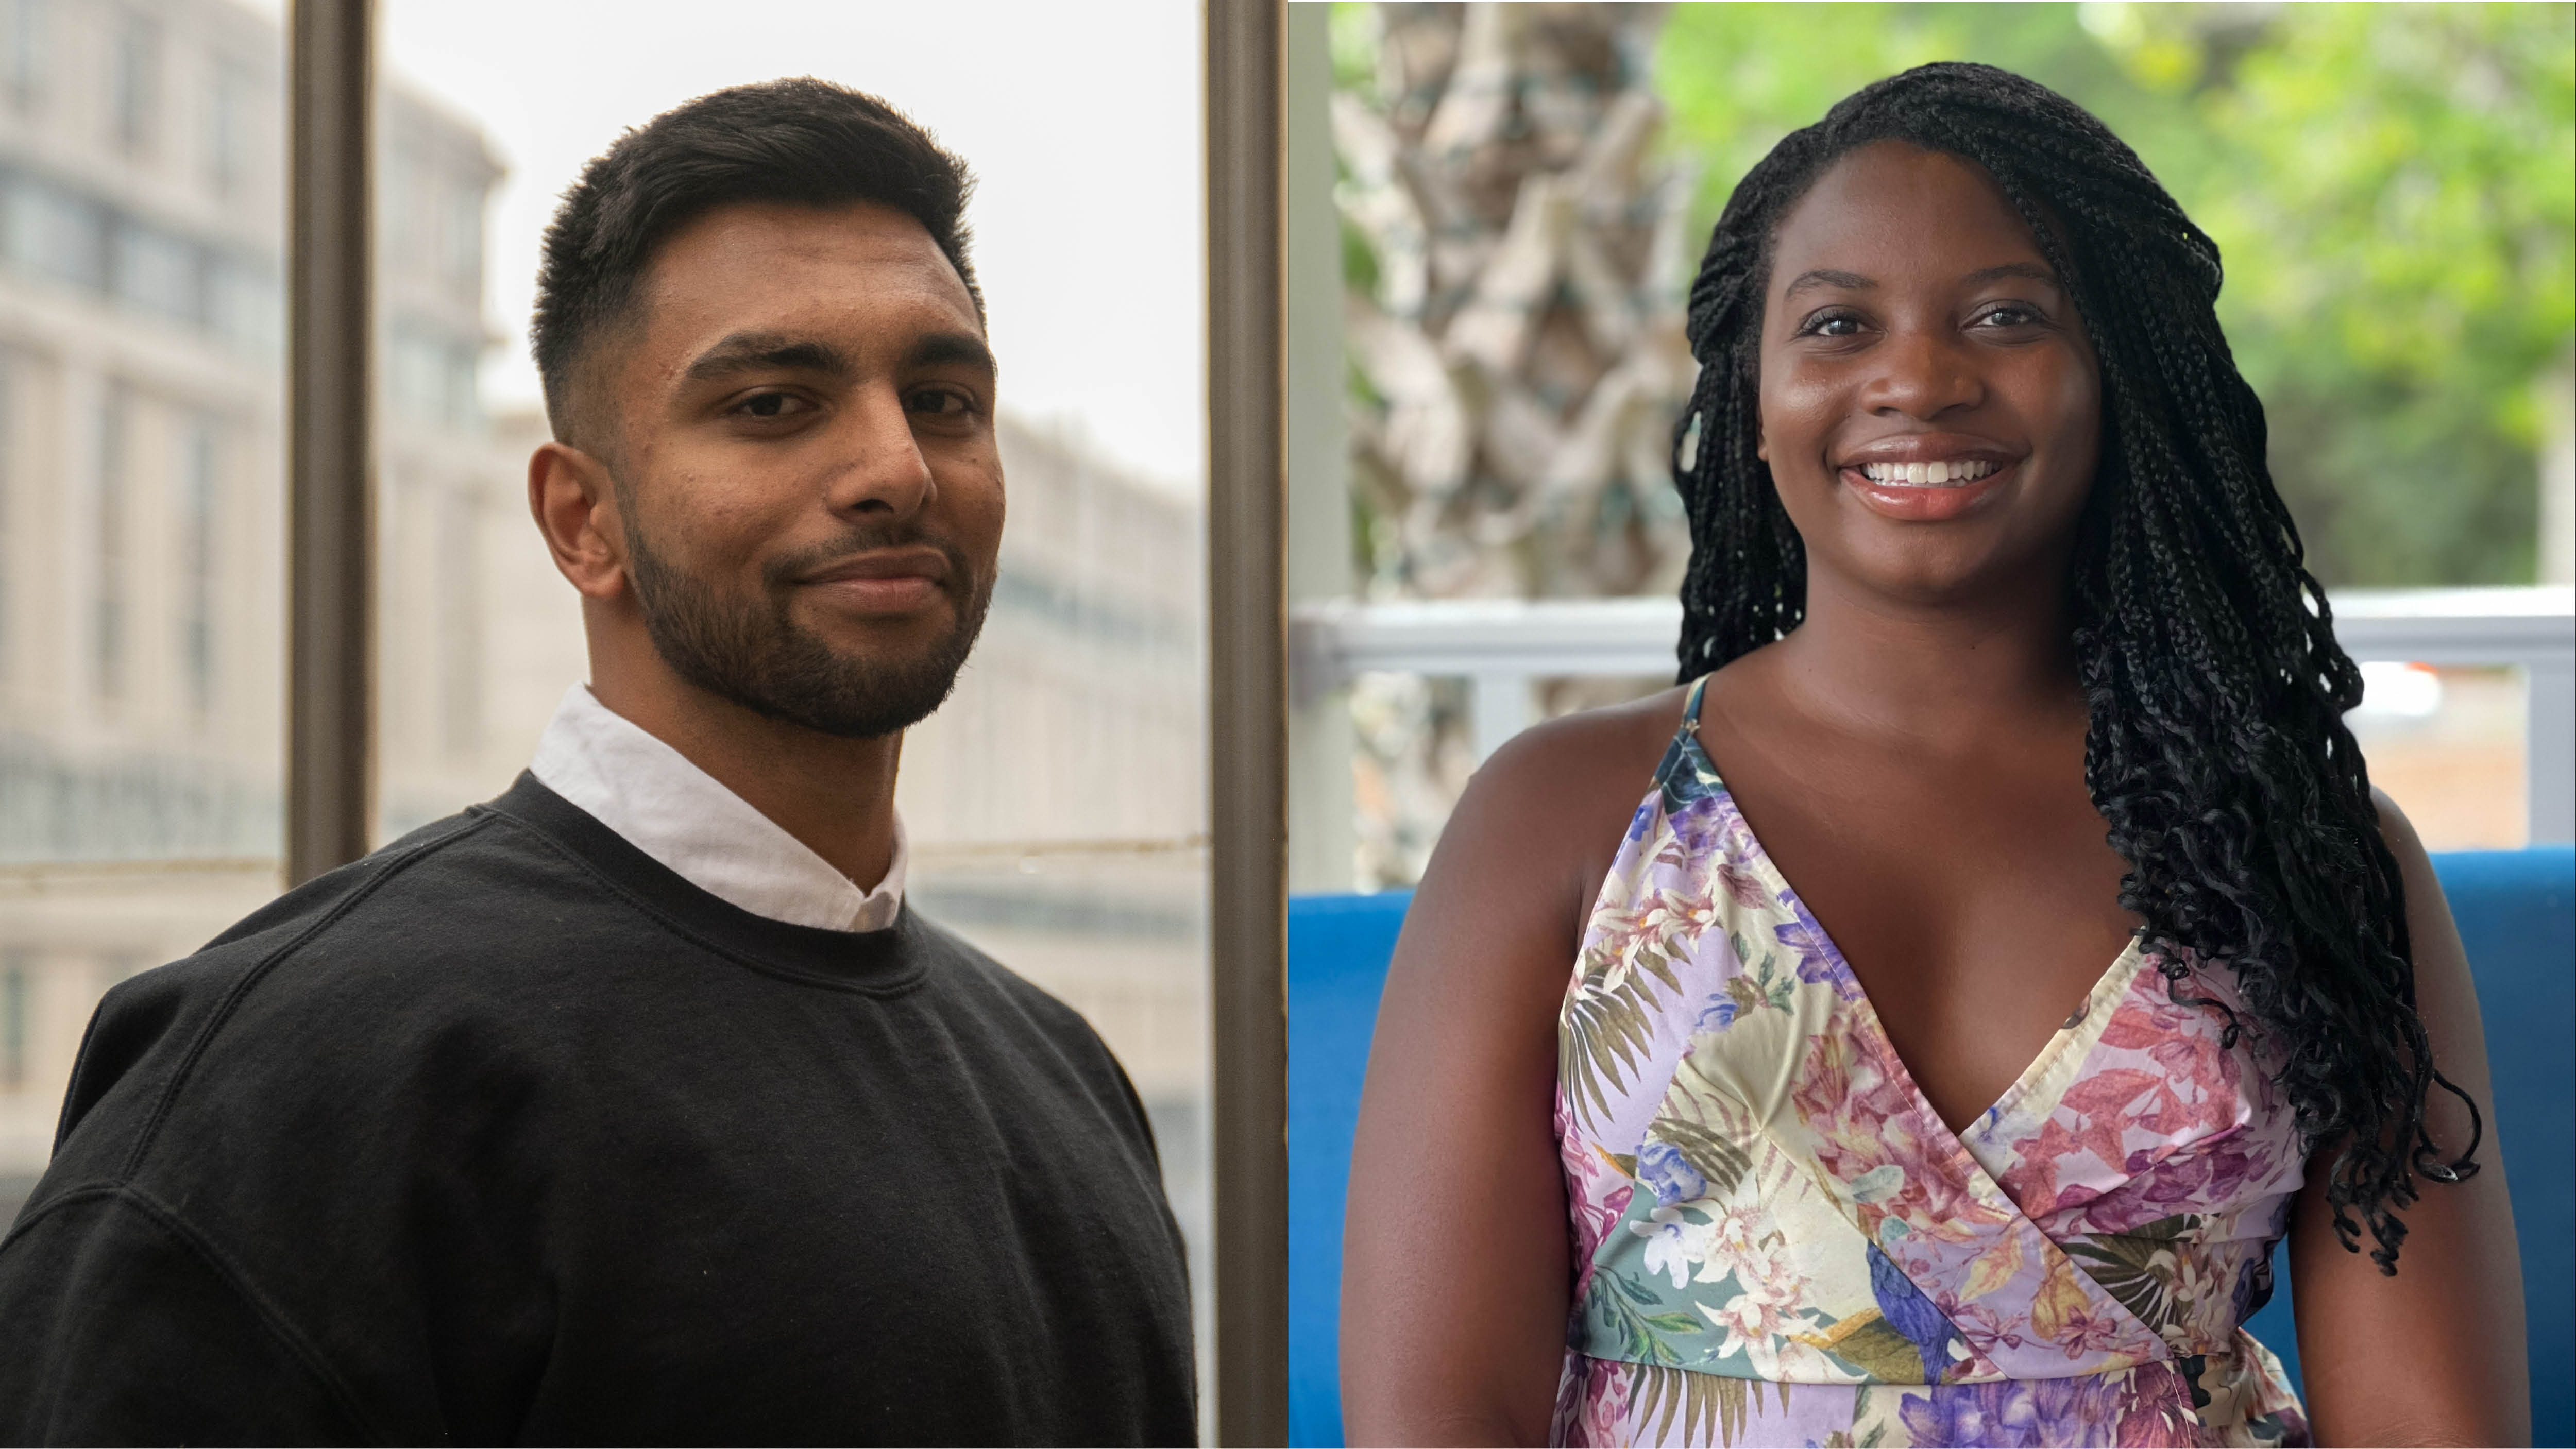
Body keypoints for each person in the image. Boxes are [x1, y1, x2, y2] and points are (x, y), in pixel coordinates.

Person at [1340, 62, 2527, 1448]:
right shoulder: (1558, 819)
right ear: (1755, 390)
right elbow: (1437, 1417)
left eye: (2006, 316)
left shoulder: (2304, 843)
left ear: (2119, 374)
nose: (1916, 377)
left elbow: (2429, 1427)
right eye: (1839, 323)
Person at [0, 79, 1195, 1445]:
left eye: (941, 398)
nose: (896, 467)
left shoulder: (1064, 1078)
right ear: (584, 522)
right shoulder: (306, 1082)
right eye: (770, 404)